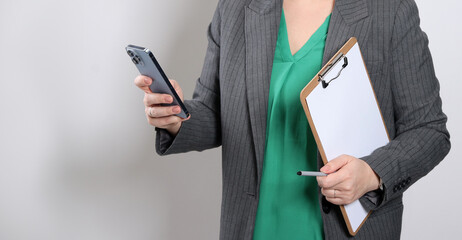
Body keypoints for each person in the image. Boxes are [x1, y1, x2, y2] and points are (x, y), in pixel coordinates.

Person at [134, 0, 450, 239]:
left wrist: (371, 174)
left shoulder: (389, 10)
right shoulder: (235, 7)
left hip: (343, 229)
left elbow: (429, 130)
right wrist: (177, 117)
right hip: (252, 228)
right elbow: (218, 111)